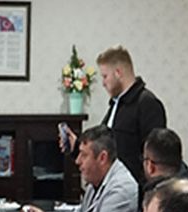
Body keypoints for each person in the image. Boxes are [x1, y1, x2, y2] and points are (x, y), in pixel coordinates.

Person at [61, 46, 166, 183]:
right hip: (112, 186)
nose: (103, 83)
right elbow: (104, 147)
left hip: (132, 189)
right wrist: (77, 146)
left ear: (118, 73)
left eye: (105, 76)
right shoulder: (116, 104)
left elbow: (155, 158)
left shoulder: (148, 104)